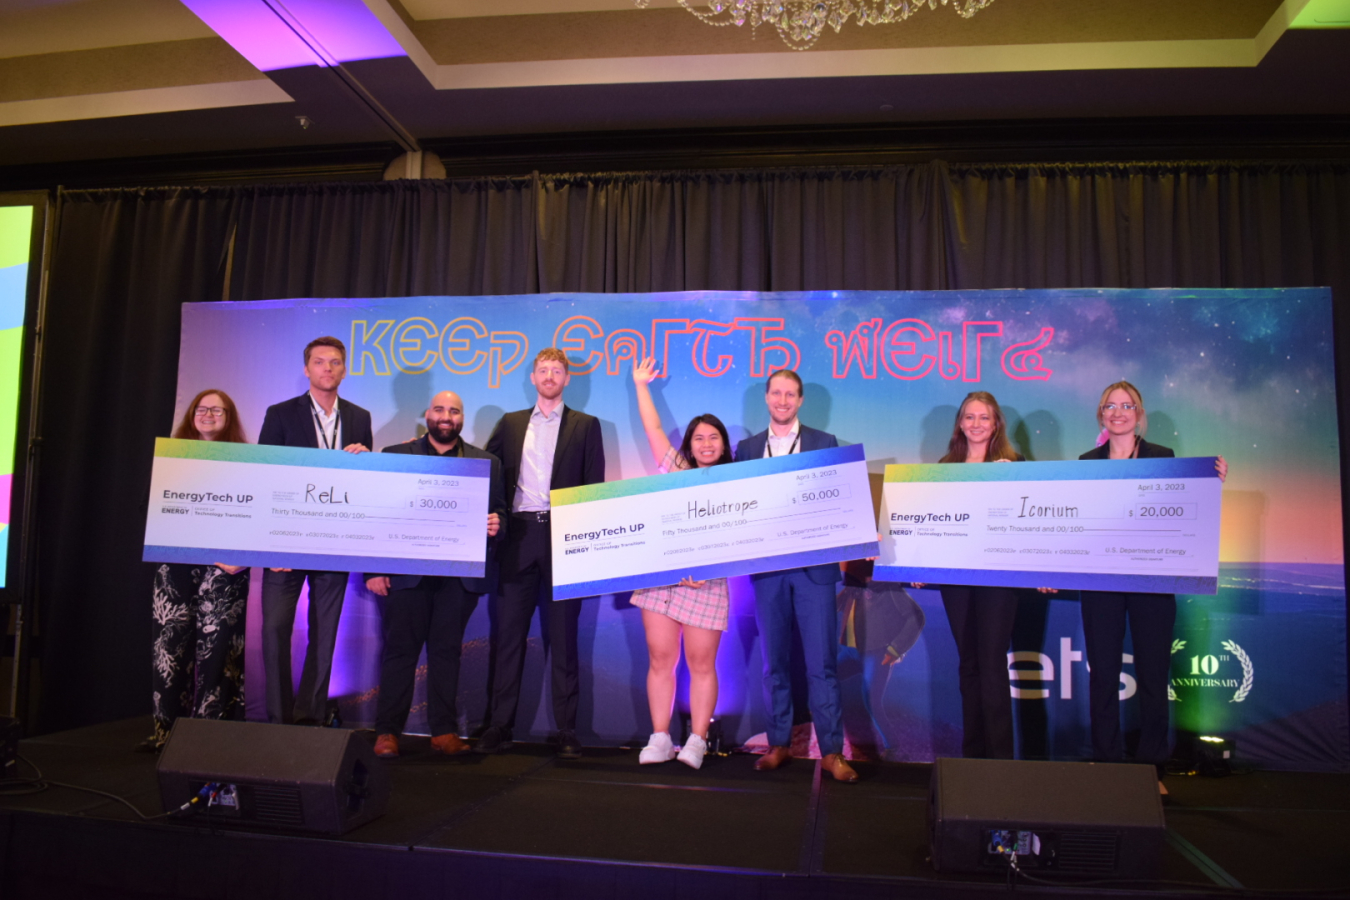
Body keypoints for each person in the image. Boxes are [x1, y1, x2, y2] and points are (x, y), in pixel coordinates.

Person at [1078, 381, 1227, 792]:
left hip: (1152, 583)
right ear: (1101, 414)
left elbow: (1185, 505)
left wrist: (1211, 482)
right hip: (1102, 584)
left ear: (1139, 413)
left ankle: (1151, 770)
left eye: (1127, 406)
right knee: (1103, 675)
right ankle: (1107, 763)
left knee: (1152, 674)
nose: (1119, 412)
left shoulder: (1163, 457)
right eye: (1110, 405)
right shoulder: (1085, 462)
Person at [476, 348, 605, 758]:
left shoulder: (586, 426)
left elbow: (593, 488)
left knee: (565, 640)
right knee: (508, 638)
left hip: (564, 539)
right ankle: (499, 725)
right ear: (533, 378)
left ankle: (567, 730)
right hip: (516, 539)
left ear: (567, 379)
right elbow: (485, 469)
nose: (550, 376)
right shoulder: (511, 424)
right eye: (543, 370)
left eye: (557, 371)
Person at [365, 391, 506, 759]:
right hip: (406, 574)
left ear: (462, 418)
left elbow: (501, 512)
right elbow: (376, 513)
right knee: (400, 652)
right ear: (427, 414)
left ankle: (443, 732)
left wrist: (498, 523)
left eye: (454, 411)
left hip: (459, 576)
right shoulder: (396, 457)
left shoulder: (486, 462)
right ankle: (387, 733)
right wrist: (374, 570)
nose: (447, 417)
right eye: (440, 410)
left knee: (446, 653)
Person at [734, 369, 858, 783]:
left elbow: (842, 501)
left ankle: (833, 752)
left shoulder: (825, 443)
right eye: (776, 393)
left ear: (800, 400)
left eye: (791, 394)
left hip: (814, 572)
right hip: (768, 572)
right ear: (766, 398)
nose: (783, 401)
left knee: (822, 664)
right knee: (775, 665)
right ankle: (779, 743)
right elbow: (737, 507)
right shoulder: (747, 448)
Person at [256, 336, 373, 725]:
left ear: (344, 369)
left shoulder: (359, 418)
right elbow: (264, 479)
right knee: (274, 631)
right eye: (320, 362)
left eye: (335, 362)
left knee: (325, 638)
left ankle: (310, 717)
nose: (328, 368)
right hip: (285, 545)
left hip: (333, 541)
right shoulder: (280, 414)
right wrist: (272, 547)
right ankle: (278, 720)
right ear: (307, 369)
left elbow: (362, 488)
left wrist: (368, 464)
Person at [629, 357, 732, 770]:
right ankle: (659, 737)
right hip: (663, 585)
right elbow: (654, 428)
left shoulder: (740, 482)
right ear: (689, 445)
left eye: (714, 438)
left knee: (702, 665)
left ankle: (697, 740)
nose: (706, 444)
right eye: (699, 438)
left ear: (724, 445)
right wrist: (641, 385)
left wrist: (706, 570)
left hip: (707, 586)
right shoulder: (675, 470)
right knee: (659, 659)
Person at [142, 389, 251, 751]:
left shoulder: (248, 462)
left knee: (217, 651)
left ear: (229, 416)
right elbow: (163, 511)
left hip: (226, 566)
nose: (207, 415)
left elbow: (257, 512)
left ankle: (211, 737)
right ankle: (166, 733)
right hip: (176, 565)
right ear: (191, 415)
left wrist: (242, 552)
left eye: (216, 410)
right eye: (201, 409)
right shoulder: (173, 459)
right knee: (169, 650)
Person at [923, 391, 1024, 760]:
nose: (976, 424)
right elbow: (929, 524)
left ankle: (999, 761)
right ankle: (973, 758)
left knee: (992, 663)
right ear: (960, 423)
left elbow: (1029, 526)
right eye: (969, 417)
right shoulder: (944, 466)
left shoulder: (1015, 465)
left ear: (996, 423)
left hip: (999, 581)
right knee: (968, 663)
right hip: (957, 580)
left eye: (984, 417)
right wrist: (917, 564)